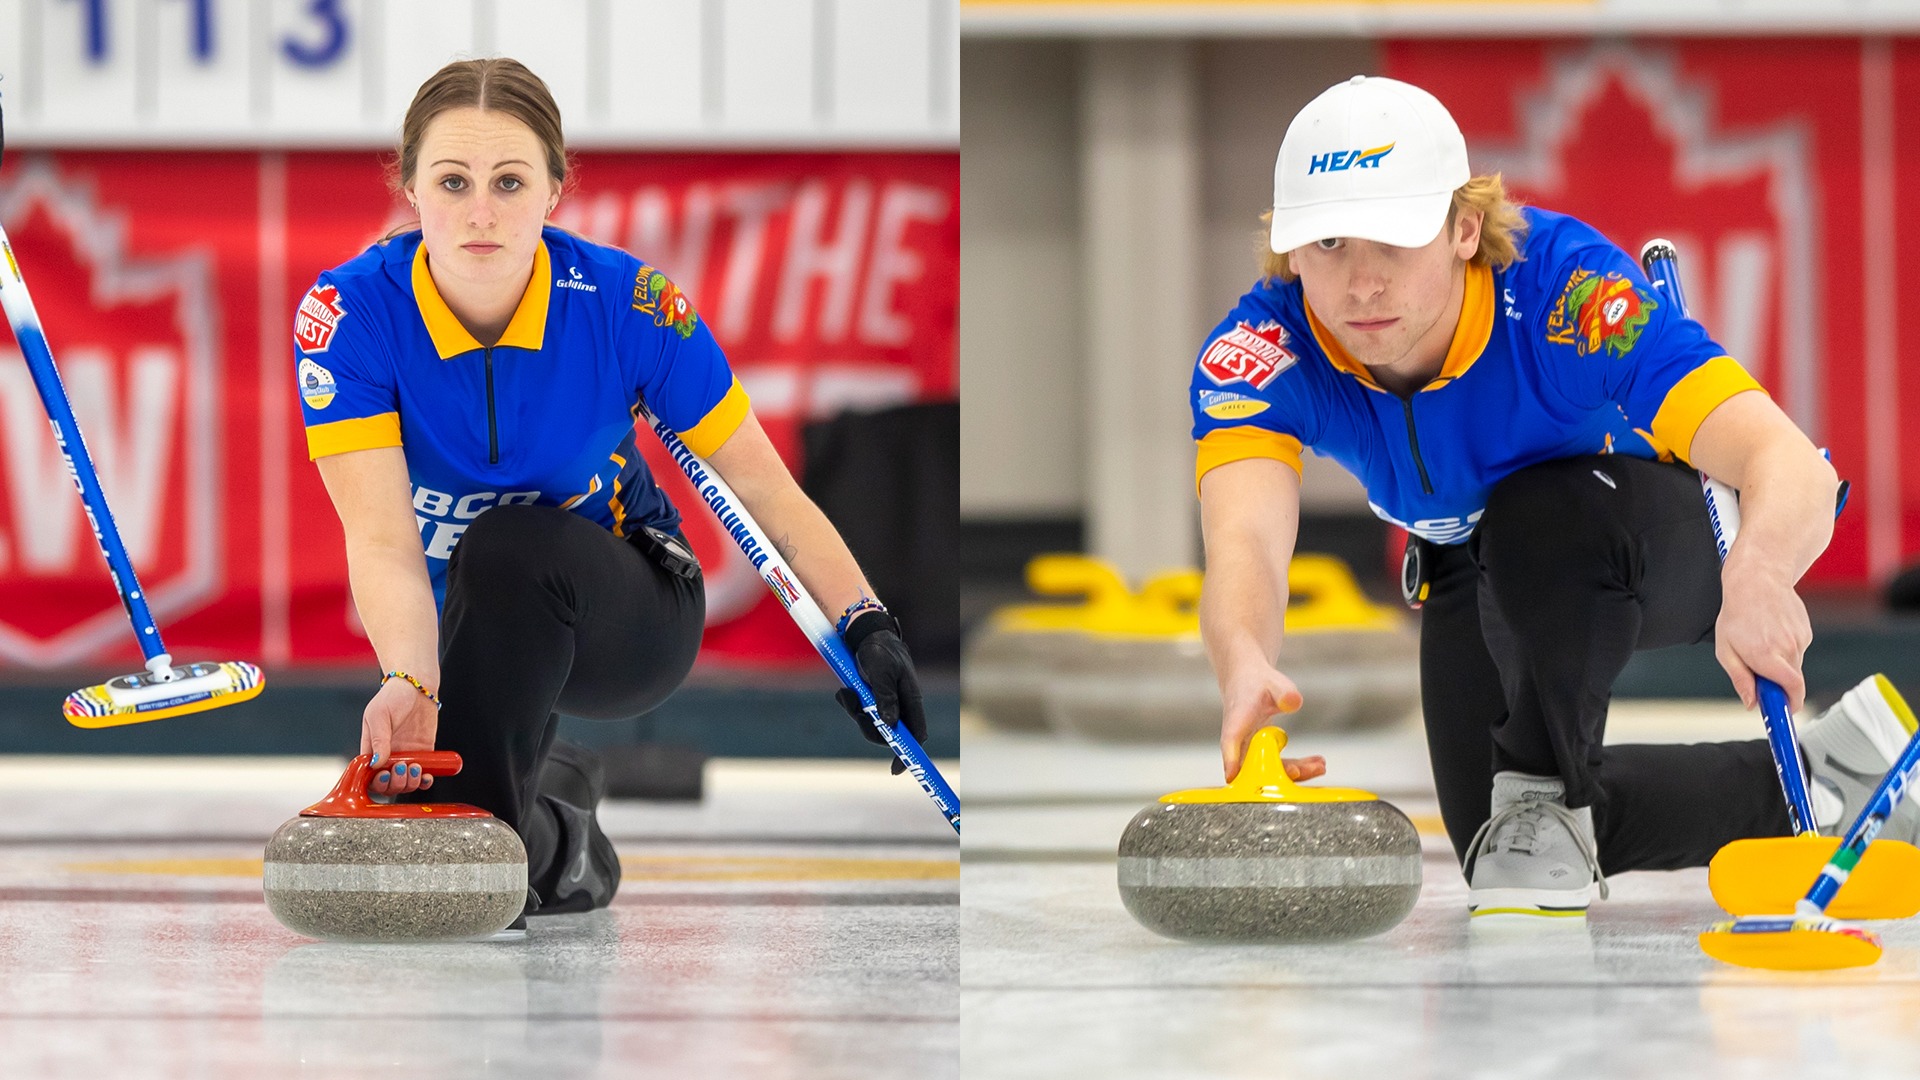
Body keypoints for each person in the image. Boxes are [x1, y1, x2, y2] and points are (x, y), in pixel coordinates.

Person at [1192, 74, 1917, 918]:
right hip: (1476, 566)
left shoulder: (1565, 297)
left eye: (1392, 241)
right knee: (1501, 844)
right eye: (1328, 247)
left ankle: (1541, 785)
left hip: (1657, 542)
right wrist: (1241, 659)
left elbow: (1789, 464)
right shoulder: (1264, 350)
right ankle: (1834, 784)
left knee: (1538, 514)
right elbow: (1244, 541)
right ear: (1286, 245)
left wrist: (1759, 577)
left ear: (1465, 228)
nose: (1360, 285)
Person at [295, 58, 926, 930]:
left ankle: (481, 870)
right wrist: (409, 678)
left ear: (556, 188)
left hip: (628, 611)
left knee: (512, 545)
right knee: (437, 722)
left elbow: (766, 491)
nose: (481, 211)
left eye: (510, 181)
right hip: (464, 623)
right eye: (453, 181)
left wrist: (867, 624)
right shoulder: (350, 317)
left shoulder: (628, 305)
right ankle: (556, 832)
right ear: (408, 187)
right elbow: (381, 540)